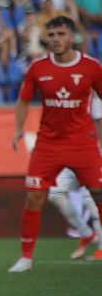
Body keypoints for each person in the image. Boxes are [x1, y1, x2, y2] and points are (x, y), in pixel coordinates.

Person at [9, 16, 102, 272]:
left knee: (98, 193)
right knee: (34, 198)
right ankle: (26, 258)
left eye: (61, 34)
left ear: (72, 37)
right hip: (48, 144)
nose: (56, 39)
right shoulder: (38, 68)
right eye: (51, 35)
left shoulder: (91, 67)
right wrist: (18, 128)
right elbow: (24, 100)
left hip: (83, 143)